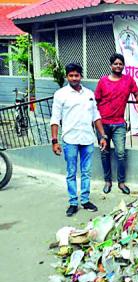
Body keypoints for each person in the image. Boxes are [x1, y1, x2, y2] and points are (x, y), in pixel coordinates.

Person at [50, 63, 107, 217]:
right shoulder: (60, 94)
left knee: (86, 172)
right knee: (71, 172)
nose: (74, 78)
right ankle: (73, 202)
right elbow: (55, 119)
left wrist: (103, 136)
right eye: (71, 75)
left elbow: (96, 116)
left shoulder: (89, 94)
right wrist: (54, 141)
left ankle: (85, 200)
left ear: (81, 76)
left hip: (87, 138)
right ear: (67, 76)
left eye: (77, 75)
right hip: (70, 139)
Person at [94, 53, 138, 195]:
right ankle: (107, 181)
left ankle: (121, 182)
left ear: (123, 66)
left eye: (120, 64)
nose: (118, 66)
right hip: (103, 124)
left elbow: (137, 93)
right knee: (104, 152)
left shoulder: (128, 80)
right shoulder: (103, 81)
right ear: (111, 65)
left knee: (120, 153)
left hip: (119, 124)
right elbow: (95, 102)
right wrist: (94, 121)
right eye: (115, 63)